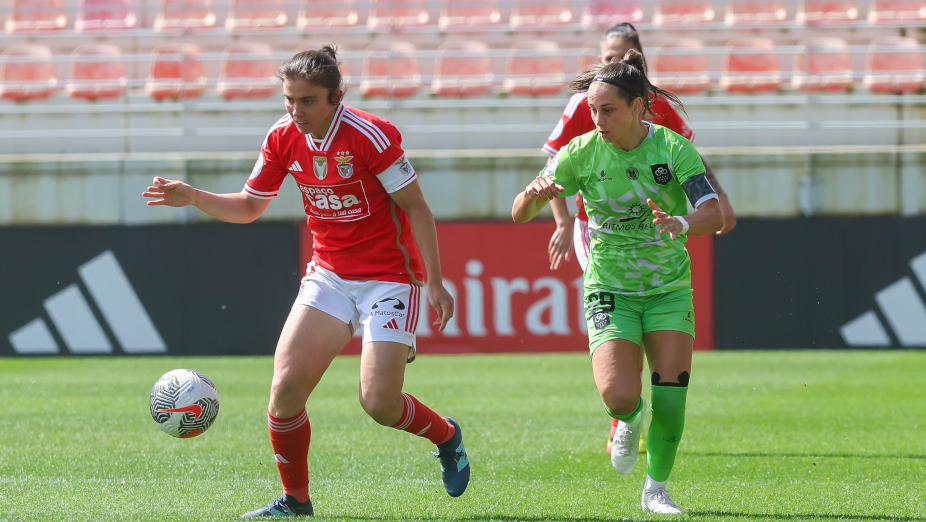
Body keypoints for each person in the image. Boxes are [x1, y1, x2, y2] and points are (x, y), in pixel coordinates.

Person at [142, 45, 470, 518]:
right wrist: (193, 196)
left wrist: (434, 283)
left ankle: (446, 435)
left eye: (308, 101)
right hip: (330, 275)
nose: (296, 111)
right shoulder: (282, 137)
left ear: (336, 96)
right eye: (289, 100)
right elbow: (250, 207)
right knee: (285, 390)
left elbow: (417, 207)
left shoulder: (370, 136)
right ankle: (296, 501)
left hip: (388, 279)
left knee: (379, 403)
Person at [512, 50, 723, 514]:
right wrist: (535, 195)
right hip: (610, 286)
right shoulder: (580, 153)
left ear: (638, 107)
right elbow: (518, 212)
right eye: (592, 110)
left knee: (671, 395)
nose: (597, 119)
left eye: (607, 110)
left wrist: (682, 224)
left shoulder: (672, 150)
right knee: (618, 394)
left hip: (668, 287)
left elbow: (714, 213)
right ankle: (628, 419)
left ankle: (656, 490)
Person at [542, 22, 737, 456]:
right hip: (596, 227)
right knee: (616, 322)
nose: (611, 65)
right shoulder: (588, 103)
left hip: (659, 238)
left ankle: (635, 407)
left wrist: (718, 199)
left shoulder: (657, 108)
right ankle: (623, 410)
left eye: (620, 56)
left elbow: (691, 160)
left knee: (657, 364)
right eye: (606, 57)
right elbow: (552, 168)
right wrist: (558, 221)